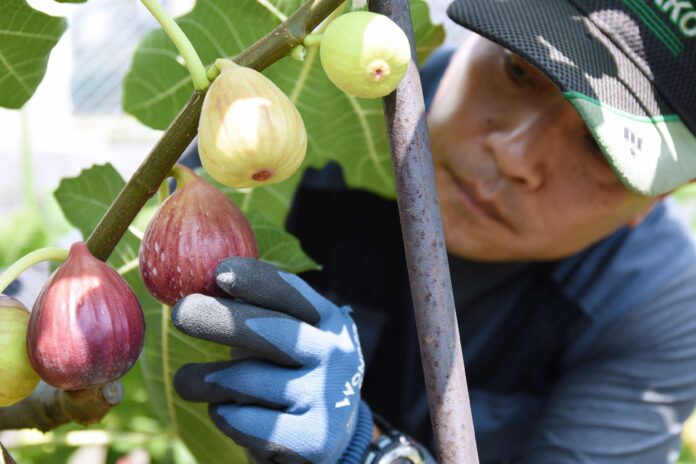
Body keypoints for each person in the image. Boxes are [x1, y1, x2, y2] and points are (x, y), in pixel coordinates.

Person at [170, 0, 696, 462]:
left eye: (600, 148)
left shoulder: (657, 307)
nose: (514, 155)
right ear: (472, 41)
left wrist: (371, 451)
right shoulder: (271, 129)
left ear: (660, 194)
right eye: (518, 70)